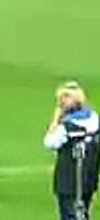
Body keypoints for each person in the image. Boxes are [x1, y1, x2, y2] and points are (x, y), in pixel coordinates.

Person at [44, 82, 100, 220]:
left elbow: (49, 142)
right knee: (82, 212)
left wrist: (56, 119)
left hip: (68, 182)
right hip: (88, 179)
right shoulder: (94, 119)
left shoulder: (67, 127)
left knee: (70, 215)